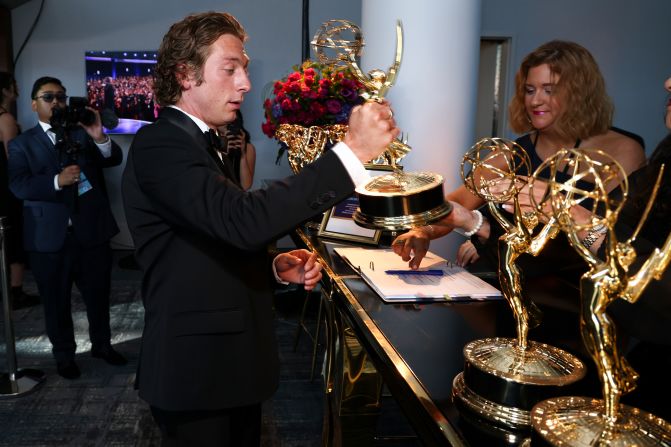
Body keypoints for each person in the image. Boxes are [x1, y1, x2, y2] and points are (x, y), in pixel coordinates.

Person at [121, 12, 397, 447]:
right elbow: (243, 221)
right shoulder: (162, 143)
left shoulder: (202, 141)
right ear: (186, 75)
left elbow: (211, 236)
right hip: (196, 372)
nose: (245, 83)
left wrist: (271, 267)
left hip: (226, 367)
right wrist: (351, 154)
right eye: (230, 69)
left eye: (244, 69)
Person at [392, 41, 645, 279]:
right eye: (530, 90)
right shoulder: (511, 154)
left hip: (576, 286)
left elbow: (619, 240)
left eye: (549, 90)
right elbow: (455, 205)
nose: (535, 100)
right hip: (516, 281)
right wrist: (423, 231)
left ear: (579, 94)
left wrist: (485, 234)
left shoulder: (622, 150)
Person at [8, 76, 127, 380]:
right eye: (48, 97)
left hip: (91, 231)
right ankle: (64, 356)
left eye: (61, 96)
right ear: (34, 104)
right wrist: (55, 182)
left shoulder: (82, 132)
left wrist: (99, 135)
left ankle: (102, 345)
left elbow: (113, 158)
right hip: (49, 238)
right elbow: (18, 185)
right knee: (56, 301)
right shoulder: (22, 143)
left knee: (99, 296)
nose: (56, 102)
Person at [0, 71, 39, 309]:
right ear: (5, 90)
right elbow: (12, 158)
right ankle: (15, 291)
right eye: (13, 85)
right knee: (13, 238)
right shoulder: (6, 120)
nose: (17, 88)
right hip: (7, 189)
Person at [218, 110, 255, 190]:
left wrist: (243, 155)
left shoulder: (248, 148)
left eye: (234, 122)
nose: (230, 125)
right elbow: (215, 183)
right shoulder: (211, 144)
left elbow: (246, 186)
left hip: (239, 199)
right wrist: (224, 151)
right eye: (227, 121)